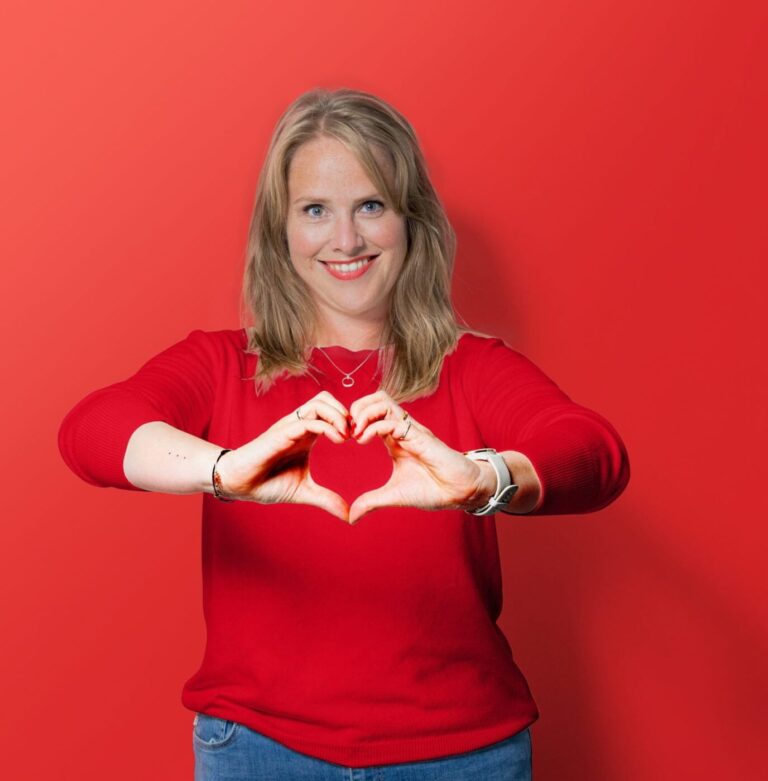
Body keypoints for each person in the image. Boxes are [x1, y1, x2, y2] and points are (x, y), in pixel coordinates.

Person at [57, 87, 630, 780]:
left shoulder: (474, 368)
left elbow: (594, 451)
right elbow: (90, 431)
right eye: (315, 210)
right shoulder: (220, 364)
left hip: (460, 754)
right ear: (281, 231)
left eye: (371, 205)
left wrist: (485, 478)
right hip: (256, 751)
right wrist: (224, 468)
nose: (347, 239)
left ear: (410, 220)